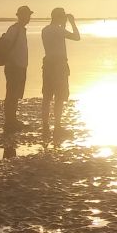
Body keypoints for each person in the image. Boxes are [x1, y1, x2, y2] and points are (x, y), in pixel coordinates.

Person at [40, 7, 80, 146]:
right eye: (62, 17)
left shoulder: (45, 30)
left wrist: (63, 23)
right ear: (59, 17)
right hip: (59, 66)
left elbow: (57, 39)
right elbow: (77, 37)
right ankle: (57, 126)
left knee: (47, 96)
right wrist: (73, 23)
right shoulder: (59, 30)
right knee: (59, 97)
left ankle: (45, 126)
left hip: (48, 65)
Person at [0, 5, 32, 155]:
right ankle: (9, 122)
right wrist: (12, 61)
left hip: (19, 67)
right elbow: (6, 45)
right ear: (21, 16)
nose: (29, 17)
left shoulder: (21, 29)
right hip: (14, 66)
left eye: (29, 15)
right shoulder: (14, 29)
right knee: (11, 94)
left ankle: (13, 120)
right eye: (27, 15)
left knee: (15, 94)